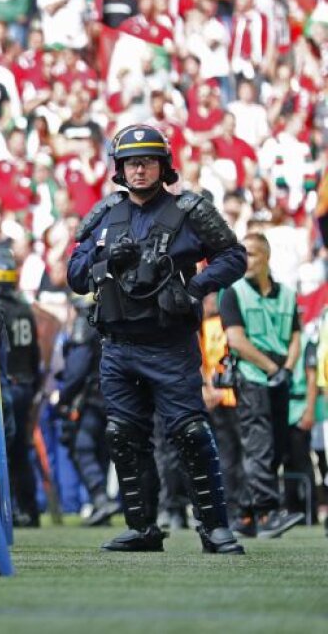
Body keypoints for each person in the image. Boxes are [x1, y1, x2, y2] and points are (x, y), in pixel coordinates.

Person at [67, 124, 247, 554]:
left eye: (146, 161)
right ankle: (143, 529)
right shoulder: (104, 213)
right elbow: (74, 276)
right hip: (117, 346)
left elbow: (234, 255)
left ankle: (215, 529)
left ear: (163, 166)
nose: (139, 169)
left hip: (170, 344)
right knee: (122, 435)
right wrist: (104, 256)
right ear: (120, 169)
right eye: (131, 162)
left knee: (188, 432)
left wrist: (196, 287)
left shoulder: (190, 210)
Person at [218, 232, 306, 538]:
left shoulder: (286, 294)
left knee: (276, 448)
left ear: (266, 257)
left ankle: (244, 515)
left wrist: (288, 369)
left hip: (281, 377)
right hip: (253, 377)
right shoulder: (233, 292)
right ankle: (267, 514)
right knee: (259, 447)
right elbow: (236, 340)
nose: (246, 261)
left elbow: (296, 335)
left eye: (252, 254)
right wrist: (273, 368)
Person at [0, 249, 42, 527]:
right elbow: (35, 353)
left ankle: (2, 511)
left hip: (2, 383)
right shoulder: (24, 308)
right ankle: (29, 511)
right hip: (26, 384)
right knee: (21, 451)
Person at [56, 296, 118, 526]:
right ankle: (103, 507)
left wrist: (64, 397)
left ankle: (100, 499)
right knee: (102, 449)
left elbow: (77, 367)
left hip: (92, 398)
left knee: (82, 446)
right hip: (116, 396)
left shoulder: (85, 322)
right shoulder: (114, 318)